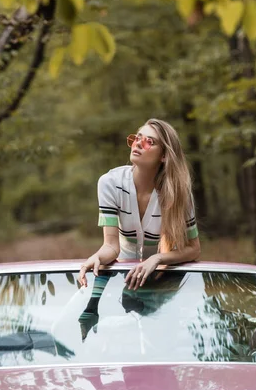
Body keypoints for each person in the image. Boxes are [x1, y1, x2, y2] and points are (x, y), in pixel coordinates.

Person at [78, 118, 201, 290]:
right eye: (137, 138)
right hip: (120, 276)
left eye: (149, 141)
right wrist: (97, 257)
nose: (138, 144)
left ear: (164, 156)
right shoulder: (110, 183)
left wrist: (157, 259)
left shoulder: (179, 193)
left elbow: (194, 249)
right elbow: (111, 246)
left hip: (164, 280)